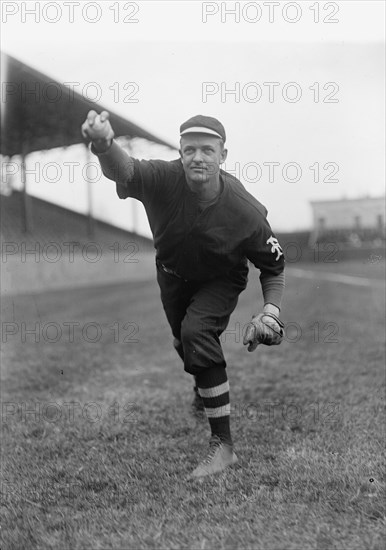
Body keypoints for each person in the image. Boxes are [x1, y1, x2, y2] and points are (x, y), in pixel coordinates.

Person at [81, 111, 285, 478]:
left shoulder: (245, 210)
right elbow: (125, 171)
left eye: (208, 150)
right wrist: (104, 144)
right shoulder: (164, 178)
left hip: (220, 279)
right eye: (190, 149)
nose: (198, 158)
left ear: (223, 156)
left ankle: (223, 446)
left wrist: (270, 310)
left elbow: (273, 266)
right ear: (180, 151)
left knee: (197, 332)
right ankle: (202, 386)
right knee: (182, 340)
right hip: (172, 276)